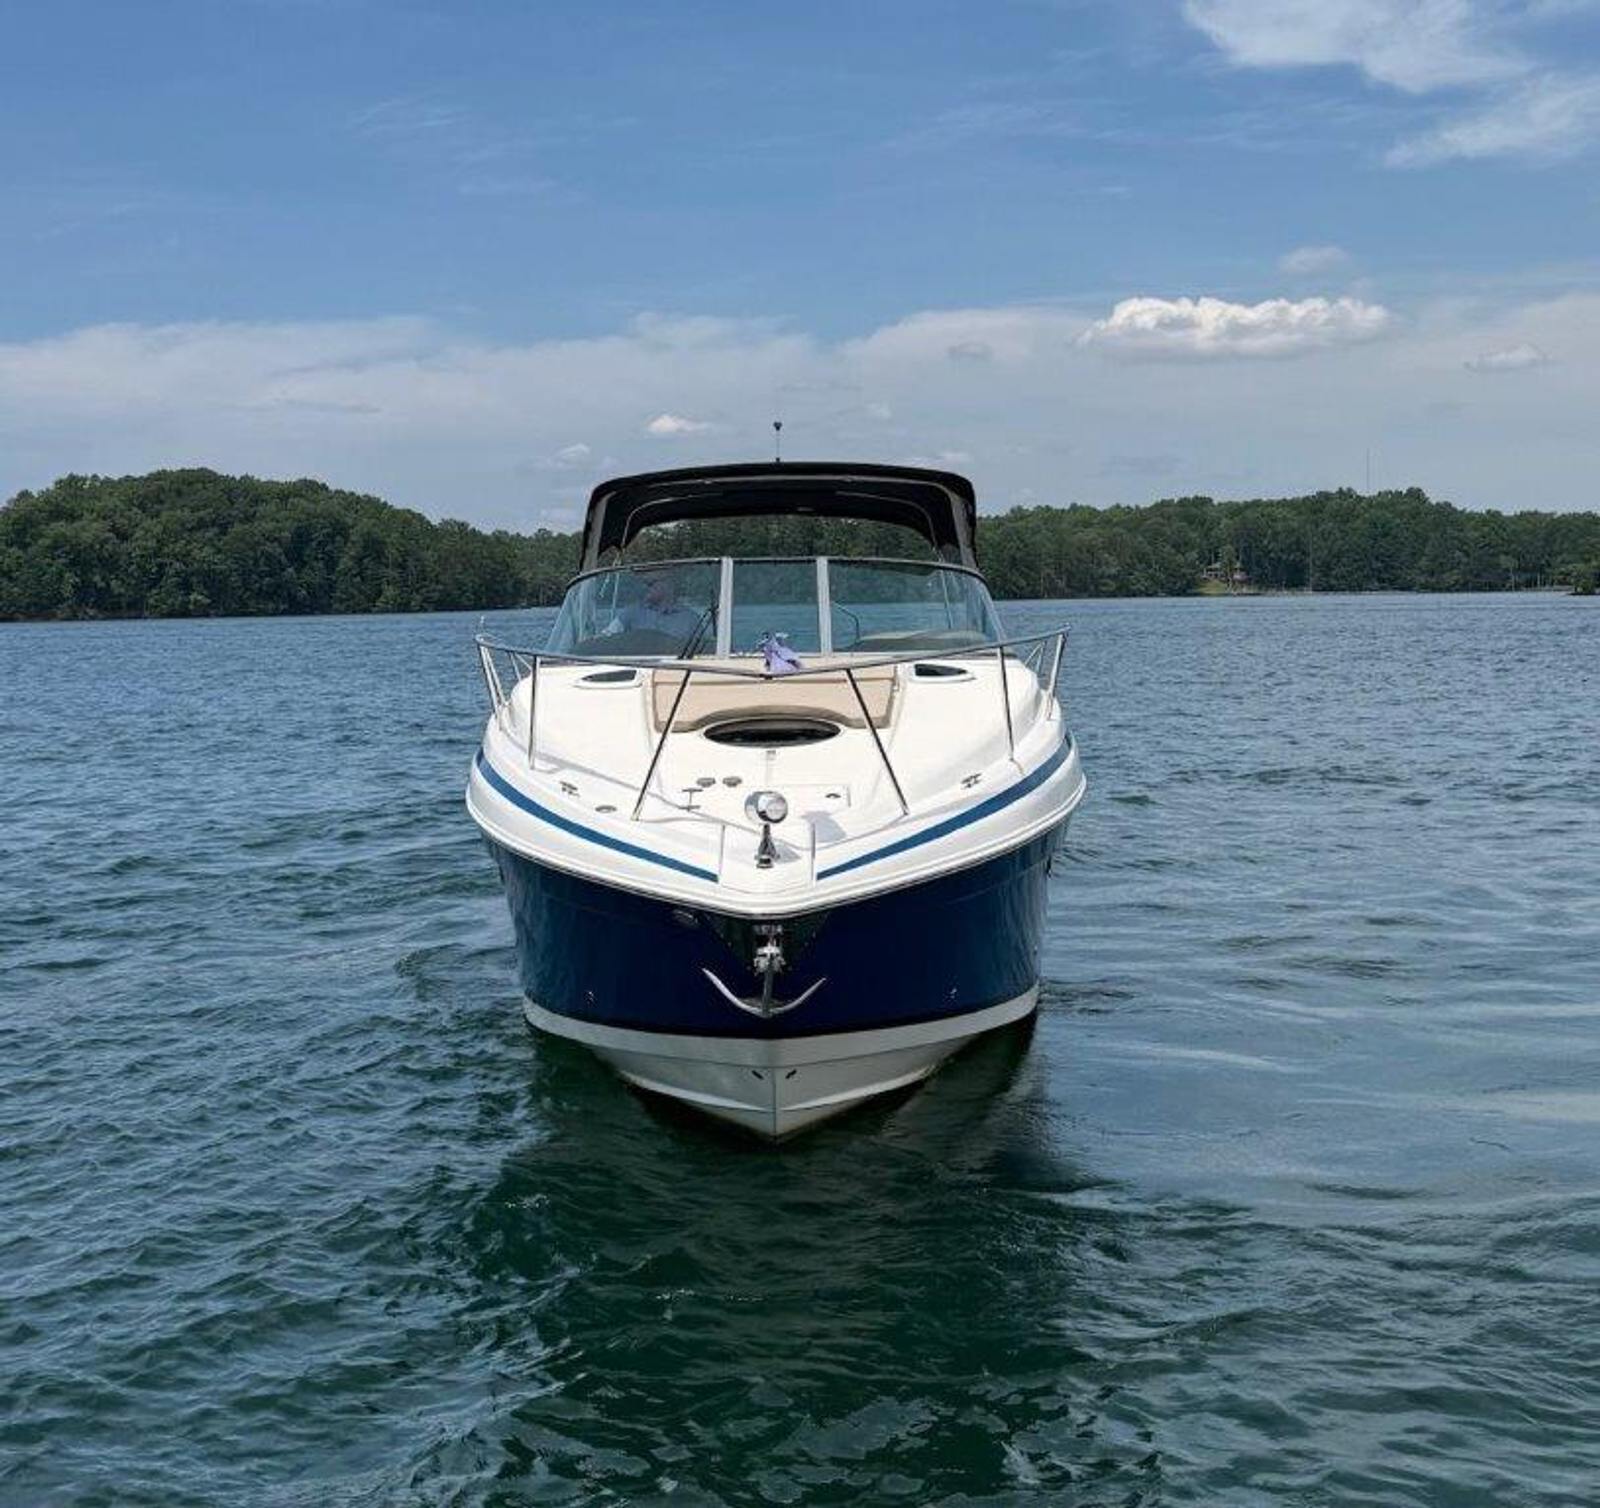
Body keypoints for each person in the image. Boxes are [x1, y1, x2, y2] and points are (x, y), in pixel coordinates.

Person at [603, 569, 704, 641]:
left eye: (650, 583)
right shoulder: (630, 613)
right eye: (643, 583)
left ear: (668, 584)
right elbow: (604, 639)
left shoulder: (691, 619)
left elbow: (701, 652)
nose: (644, 587)